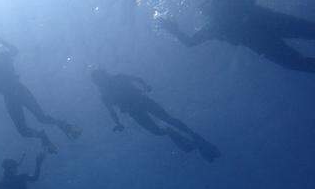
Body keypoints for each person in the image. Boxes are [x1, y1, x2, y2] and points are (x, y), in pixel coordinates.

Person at [0, 32, 81, 153]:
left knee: (41, 119)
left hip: (17, 91)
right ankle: (44, 135)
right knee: (25, 129)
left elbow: (15, 50)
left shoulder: (2, 58)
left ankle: (64, 127)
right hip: (12, 95)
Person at [159, 0, 315, 73]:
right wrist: (173, 30)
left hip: (267, 33)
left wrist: (172, 29)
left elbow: (191, 42)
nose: (206, 8)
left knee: (296, 60)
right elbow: (191, 42)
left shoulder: (219, 8)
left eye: (205, 6)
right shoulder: (215, 23)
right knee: (296, 61)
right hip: (268, 33)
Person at [91, 69, 221, 162]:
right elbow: (112, 110)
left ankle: (185, 136)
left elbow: (136, 80)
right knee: (160, 128)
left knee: (165, 122)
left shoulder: (113, 84)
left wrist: (118, 123)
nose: (101, 80)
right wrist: (118, 123)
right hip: (138, 106)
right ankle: (178, 134)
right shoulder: (109, 90)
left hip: (139, 105)